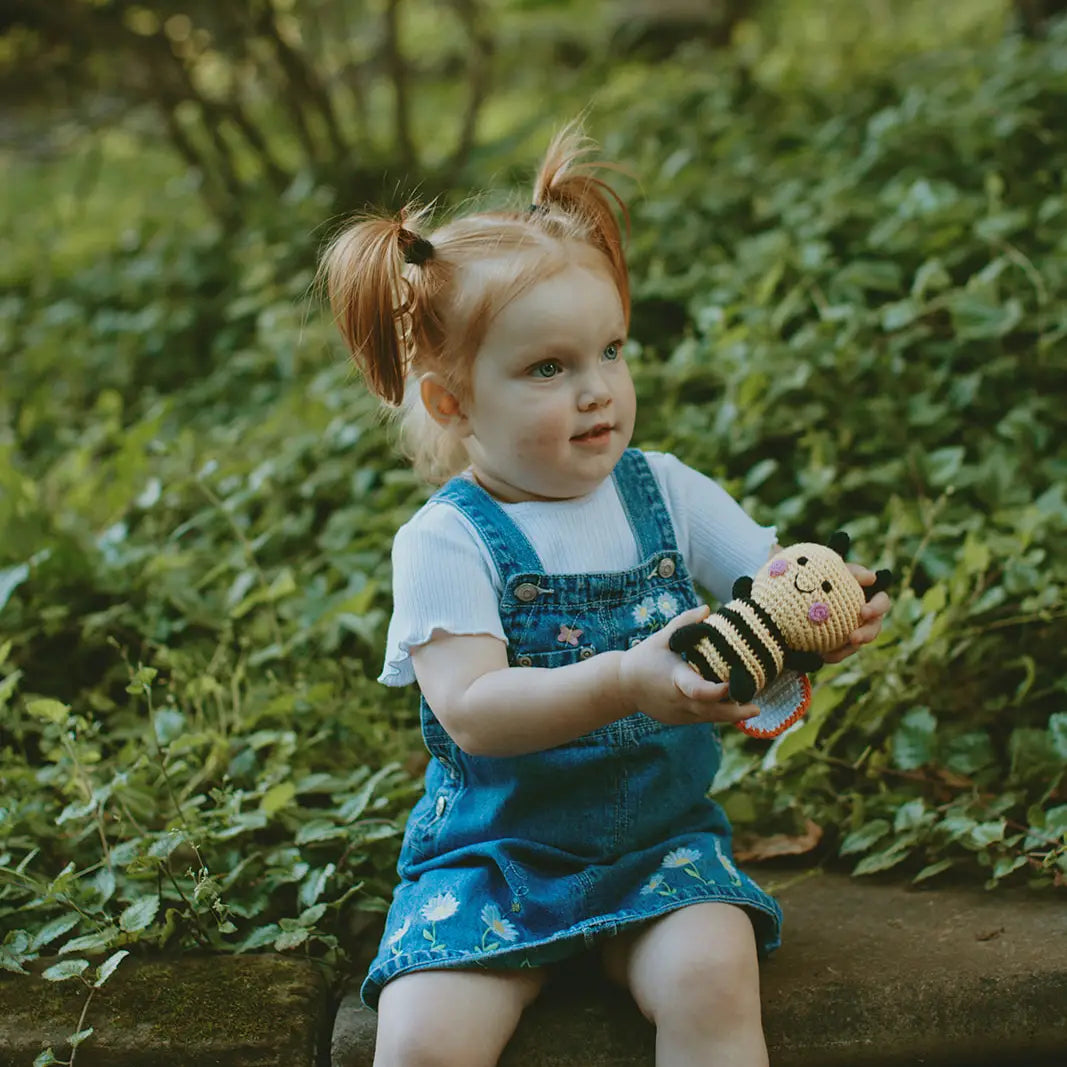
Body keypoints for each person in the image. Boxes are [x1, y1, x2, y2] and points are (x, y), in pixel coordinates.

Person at [321, 123, 891, 1067]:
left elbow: (767, 572)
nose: (598, 392)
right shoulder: (445, 540)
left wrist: (822, 610)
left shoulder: (662, 489)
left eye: (611, 351)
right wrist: (627, 678)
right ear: (450, 403)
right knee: (422, 1039)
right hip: (494, 861)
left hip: (656, 851)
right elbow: (471, 711)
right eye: (549, 368)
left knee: (714, 977)